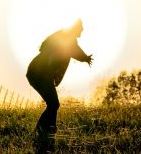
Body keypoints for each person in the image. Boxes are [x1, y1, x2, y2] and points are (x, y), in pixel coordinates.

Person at [26, 19, 93, 152]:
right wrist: (85, 58)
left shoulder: (68, 39)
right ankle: (44, 131)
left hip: (39, 73)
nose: (82, 31)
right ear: (75, 29)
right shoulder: (64, 37)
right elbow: (73, 51)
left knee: (53, 104)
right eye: (81, 28)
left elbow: (75, 51)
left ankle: (48, 131)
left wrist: (85, 58)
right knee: (54, 104)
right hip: (39, 73)